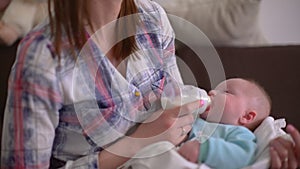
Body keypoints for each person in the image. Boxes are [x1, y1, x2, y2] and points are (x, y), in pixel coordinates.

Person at [1, 0, 299, 169]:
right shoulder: (42, 58)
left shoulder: (153, 20)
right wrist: (137, 142)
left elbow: (179, 112)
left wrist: (268, 152)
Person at [178, 78, 271, 169]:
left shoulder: (239, 132)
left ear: (246, 117)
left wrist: (203, 149)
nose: (211, 92)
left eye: (226, 92)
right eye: (215, 90)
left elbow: (242, 156)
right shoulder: (196, 117)